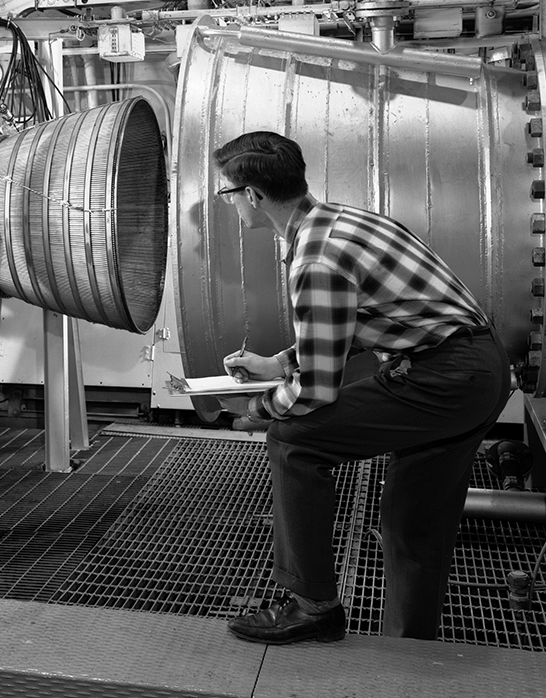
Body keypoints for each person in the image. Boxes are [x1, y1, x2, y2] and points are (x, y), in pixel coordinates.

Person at [212, 131, 510, 644]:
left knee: (295, 441)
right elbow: (365, 322)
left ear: (253, 197)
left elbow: (314, 395)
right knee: (414, 520)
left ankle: (312, 606)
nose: (230, 204)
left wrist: (255, 406)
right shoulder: (350, 221)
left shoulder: (315, 259)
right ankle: (408, 649)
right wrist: (277, 364)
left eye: (228, 194)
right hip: (477, 369)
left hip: (443, 379)